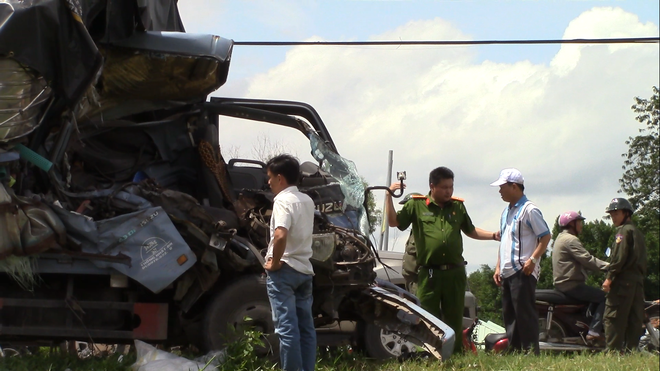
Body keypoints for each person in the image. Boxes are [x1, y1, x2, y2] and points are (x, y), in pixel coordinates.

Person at [385, 166, 499, 354]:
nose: (448, 191)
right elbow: (394, 222)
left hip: (454, 272)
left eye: (451, 187)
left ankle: (453, 355)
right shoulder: (416, 205)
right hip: (429, 272)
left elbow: (470, 230)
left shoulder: (458, 206)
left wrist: (493, 235)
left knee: (454, 316)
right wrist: (389, 196)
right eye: (444, 187)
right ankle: (427, 354)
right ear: (432, 186)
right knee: (426, 316)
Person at [263, 154, 316, 371]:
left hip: (284, 271)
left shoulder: (282, 201)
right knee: (306, 329)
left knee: (287, 330)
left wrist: (275, 262)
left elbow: (280, 235)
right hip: (305, 270)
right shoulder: (307, 200)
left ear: (280, 178)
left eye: (270, 177)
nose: (268, 182)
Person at [491, 168, 550, 355]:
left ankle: (531, 351)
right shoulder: (505, 212)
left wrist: (533, 259)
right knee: (510, 315)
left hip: (522, 269)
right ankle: (515, 352)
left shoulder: (529, 210)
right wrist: (498, 266)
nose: (500, 191)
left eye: (502, 187)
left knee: (525, 314)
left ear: (514, 186)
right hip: (507, 271)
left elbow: (545, 236)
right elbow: (504, 240)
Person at [552, 211, 609, 343]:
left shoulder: (560, 238)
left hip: (563, 284)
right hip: (571, 285)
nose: (581, 226)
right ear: (572, 224)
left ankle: (588, 326)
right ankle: (594, 332)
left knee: (594, 297)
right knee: (603, 297)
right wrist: (609, 267)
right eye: (580, 222)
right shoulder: (570, 240)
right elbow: (587, 259)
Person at [602, 197, 647, 352]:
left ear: (626, 213)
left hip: (622, 284)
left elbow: (619, 258)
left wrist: (609, 278)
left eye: (616, 213)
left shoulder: (623, 231)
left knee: (613, 317)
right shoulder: (637, 232)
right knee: (634, 319)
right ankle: (631, 353)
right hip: (637, 283)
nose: (613, 217)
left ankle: (612, 354)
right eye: (611, 214)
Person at [399, 192, 423, 295]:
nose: (405, 210)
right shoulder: (414, 229)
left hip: (419, 282)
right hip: (411, 282)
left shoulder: (424, 230)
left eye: (408, 206)